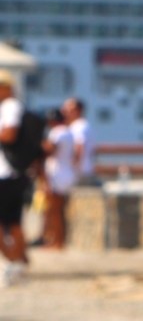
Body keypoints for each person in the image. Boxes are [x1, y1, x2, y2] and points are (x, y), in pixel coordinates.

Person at [0, 75, 31, 283]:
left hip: (7, 174)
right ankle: (18, 261)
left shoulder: (10, 106)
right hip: (11, 174)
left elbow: (10, 134)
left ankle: (14, 261)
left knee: (11, 221)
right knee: (13, 221)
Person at [41, 107, 78, 250]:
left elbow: (50, 150)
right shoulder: (69, 132)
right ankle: (59, 240)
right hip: (67, 173)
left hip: (57, 175)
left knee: (54, 210)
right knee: (60, 210)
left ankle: (57, 242)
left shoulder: (57, 132)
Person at [65, 95, 95, 182]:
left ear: (78, 110)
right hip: (84, 170)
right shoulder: (83, 125)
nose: (66, 112)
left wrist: (72, 166)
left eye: (69, 109)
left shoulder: (79, 126)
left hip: (78, 172)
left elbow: (79, 147)